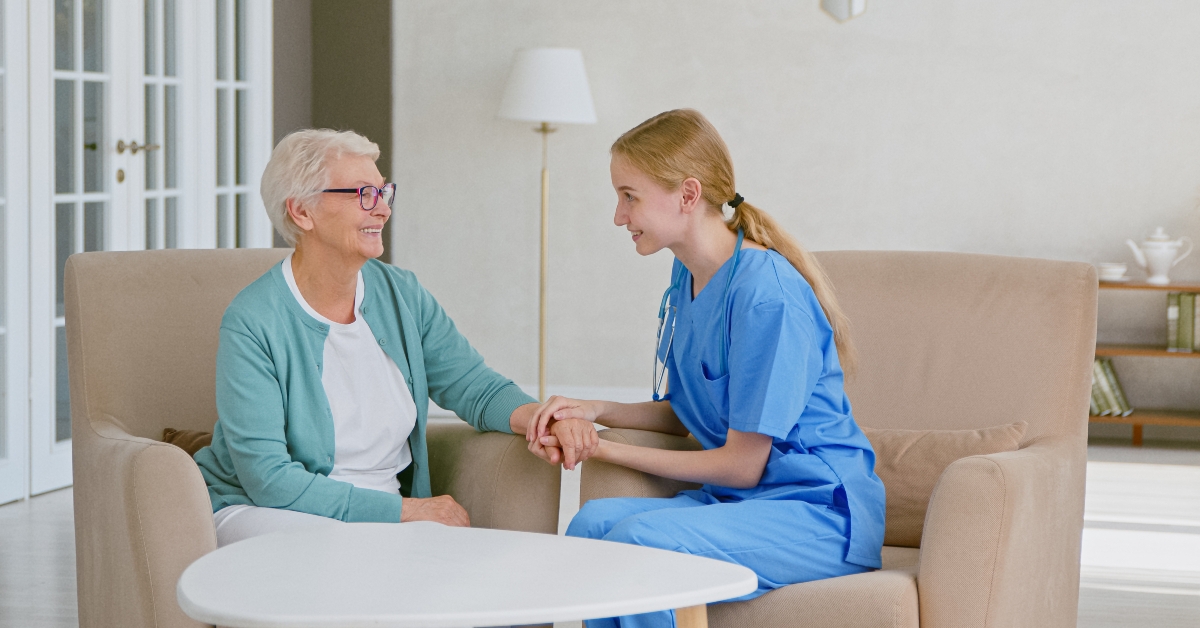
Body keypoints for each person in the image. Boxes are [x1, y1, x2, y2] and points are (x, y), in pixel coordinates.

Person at [526, 110, 886, 628]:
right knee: (593, 523)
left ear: (688, 195)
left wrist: (599, 445)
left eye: (630, 196)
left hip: (820, 514)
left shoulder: (767, 297)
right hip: (744, 502)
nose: (618, 216)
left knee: (642, 543)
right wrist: (597, 408)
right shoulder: (686, 275)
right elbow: (693, 412)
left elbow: (743, 463)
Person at [194, 129, 552, 547]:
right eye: (363, 193)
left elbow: (473, 386)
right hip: (264, 511)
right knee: (347, 557)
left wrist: (544, 419)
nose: (381, 209)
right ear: (301, 212)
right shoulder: (254, 320)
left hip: (380, 515)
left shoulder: (402, 294)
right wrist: (407, 512)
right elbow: (269, 479)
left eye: (383, 192)